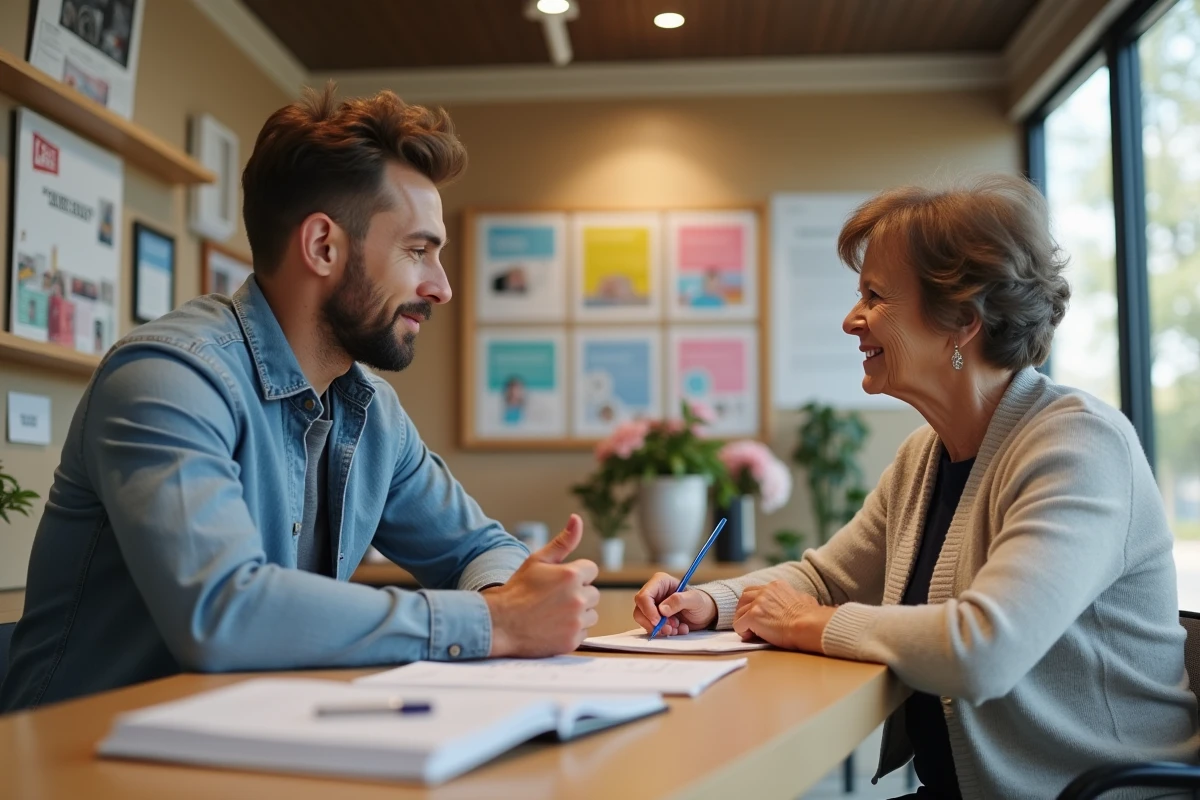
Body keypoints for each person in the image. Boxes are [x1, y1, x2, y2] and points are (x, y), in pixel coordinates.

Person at [0, 85, 600, 712]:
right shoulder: (168, 377)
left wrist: (514, 596)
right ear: (322, 247)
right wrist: (496, 624)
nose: (441, 287)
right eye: (419, 251)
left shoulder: (372, 414)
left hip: (253, 741)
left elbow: (479, 549)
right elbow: (222, 613)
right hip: (87, 762)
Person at [633, 175, 1200, 798]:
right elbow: (826, 580)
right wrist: (712, 603)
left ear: (962, 318)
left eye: (874, 295)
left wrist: (813, 624)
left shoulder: (1080, 445)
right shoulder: (925, 457)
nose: (852, 319)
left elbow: (984, 648)